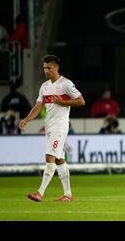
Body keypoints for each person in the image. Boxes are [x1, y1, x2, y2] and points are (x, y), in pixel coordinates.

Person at [19, 55, 85, 202]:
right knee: (59, 159)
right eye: (44, 68)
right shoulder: (44, 86)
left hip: (60, 126)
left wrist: (63, 103)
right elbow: (37, 107)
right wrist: (26, 120)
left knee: (50, 157)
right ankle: (68, 194)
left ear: (56, 67)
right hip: (49, 126)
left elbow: (81, 101)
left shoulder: (66, 84)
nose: (46, 70)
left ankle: (40, 193)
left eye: (49, 67)